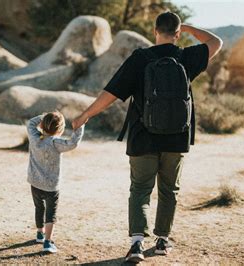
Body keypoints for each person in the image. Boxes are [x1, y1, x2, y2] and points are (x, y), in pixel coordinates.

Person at [72, 11, 222, 263]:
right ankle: (162, 240)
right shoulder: (187, 57)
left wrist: (85, 115)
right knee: (169, 189)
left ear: (155, 31)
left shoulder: (140, 58)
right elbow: (216, 42)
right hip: (177, 137)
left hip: (143, 137)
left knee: (140, 189)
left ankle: (137, 244)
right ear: (176, 34)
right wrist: (187, 28)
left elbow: (111, 92)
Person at [26, 111, 84, 253]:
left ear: (43, 125)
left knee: (39, 208)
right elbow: (73, 143)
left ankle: (40, 233)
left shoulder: (35, 138)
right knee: (50, 213)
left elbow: (30, 123)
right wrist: (80, 127)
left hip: (35, 183)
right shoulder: (56, 143)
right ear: (60, 129)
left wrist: (45, 116)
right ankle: (48, 241)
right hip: (51, 187)